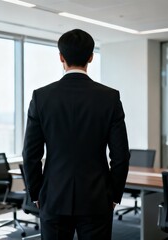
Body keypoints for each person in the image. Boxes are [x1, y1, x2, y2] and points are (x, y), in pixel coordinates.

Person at [23, 29, 130, 240]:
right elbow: (120, 156)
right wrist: (113, 195)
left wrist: (36, 193)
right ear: (91, 57)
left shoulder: (41, 98)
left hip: (53, 196)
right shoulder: (110, 98)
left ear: (61, 57)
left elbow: (30, 155)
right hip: (97, 197)